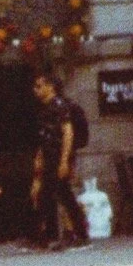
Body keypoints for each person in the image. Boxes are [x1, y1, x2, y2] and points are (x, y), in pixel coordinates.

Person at [30, 70, 89, 249]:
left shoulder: (59, 106)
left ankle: (60, 235)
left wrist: (64, 160)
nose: (36, 90)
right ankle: (48, 236)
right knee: (54, 196)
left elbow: (68, 133)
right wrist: (39, 156)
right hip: (49, 157)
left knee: (56, 196)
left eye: (39, 86)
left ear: (51, 87)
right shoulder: (46, 108)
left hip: (58, 157)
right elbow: (44, 136)